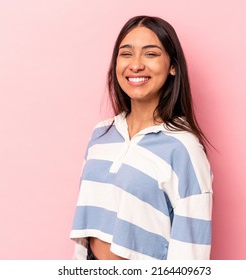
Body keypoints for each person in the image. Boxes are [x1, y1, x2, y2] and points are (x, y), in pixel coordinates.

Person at [70, 15, 213, 260]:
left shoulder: (183, 148)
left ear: (173, 66)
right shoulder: (101, 135)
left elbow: (191, 251)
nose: (135, 65)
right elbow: (86, 234)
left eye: (150, 54)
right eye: (126, 54)